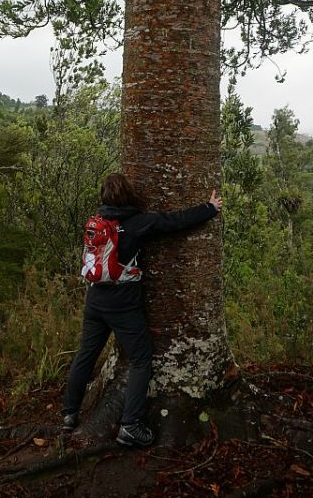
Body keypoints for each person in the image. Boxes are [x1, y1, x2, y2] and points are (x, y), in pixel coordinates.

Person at [61, 172, 222, 448]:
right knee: (140, 358)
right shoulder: (137, 224)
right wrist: (210, 208)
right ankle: (130, 425)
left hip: (96, 301)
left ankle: (69, 414)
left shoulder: (97, 224)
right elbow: (174, 222)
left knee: (86, 355)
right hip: (123, 306)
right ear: (130, 196)